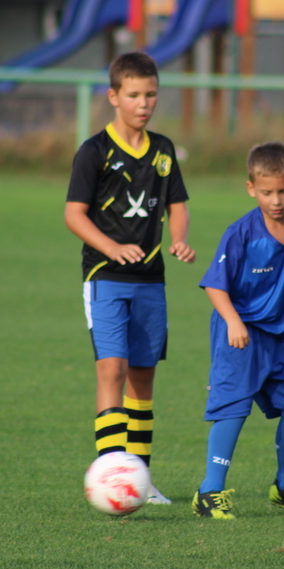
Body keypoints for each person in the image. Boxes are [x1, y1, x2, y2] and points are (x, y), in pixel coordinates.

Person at [65, 51, 196, 505]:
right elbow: (74, 215)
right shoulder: (94, 151)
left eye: (151, 94)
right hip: (105, 276)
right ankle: (111, 473)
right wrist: (112, 247)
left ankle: (141, 479)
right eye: (134, 95)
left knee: (142, 376)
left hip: (151, 281)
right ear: (113, 96)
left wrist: (179, 239)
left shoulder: (163, 150)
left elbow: (178, 206)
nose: (144, 103)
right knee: (112, 369)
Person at [192, 142, 284, 520]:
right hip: (239, 331)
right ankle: (209, 492)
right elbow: (214, 285)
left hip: (281, 335)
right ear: (251, 188)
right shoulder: (241, 233)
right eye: (267, 192)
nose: (276, 200)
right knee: (233, 407)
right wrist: (234, 322)